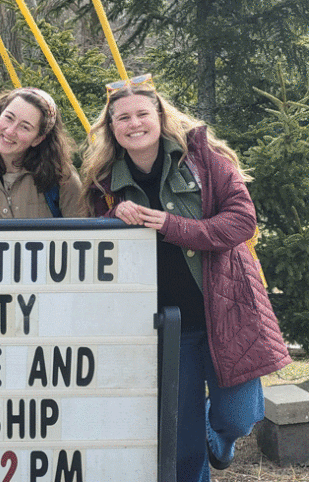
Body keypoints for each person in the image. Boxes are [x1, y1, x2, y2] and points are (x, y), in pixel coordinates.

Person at [80, 74, 291, 481]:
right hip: (166, 324)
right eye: (122, 118)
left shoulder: (204, 157)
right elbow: (92, 245)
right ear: (111, 128)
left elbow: (242, 221)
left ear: (159, 116)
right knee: (182, 441)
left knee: (240, 417)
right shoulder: (103, 181)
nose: (134, 124)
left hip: (227, 312)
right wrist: (112, 217)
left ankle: (222, 438)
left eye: (142, 113)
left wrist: (172, 225)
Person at [0, 87, 83, 218]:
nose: (10, 131)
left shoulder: (62, 179)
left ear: (38, 139)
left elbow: (80, 236)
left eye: (25, 127)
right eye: (9, 118)